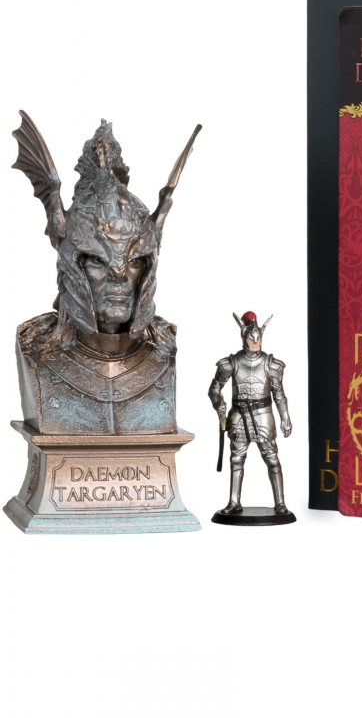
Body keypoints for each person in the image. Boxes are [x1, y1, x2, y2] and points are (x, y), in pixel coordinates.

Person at [12, 114, 198, 436]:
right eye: (98, 261)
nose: (119, 276)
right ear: (73, 262)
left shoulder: (163, 349)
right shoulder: (35, 347)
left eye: (134, 261)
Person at [209, 312, 292, 515]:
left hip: (263, 415)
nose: (255, 343)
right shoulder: (232, 363)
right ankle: (234, 502)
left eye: (258, 339)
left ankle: (280, 503)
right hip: (238, 416)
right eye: (251, 339)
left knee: (272, 458)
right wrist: (218, 403)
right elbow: (214, 388)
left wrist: (285, 418)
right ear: (244, 338)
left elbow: (279, 394)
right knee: (236, 459)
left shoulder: (271, 364)